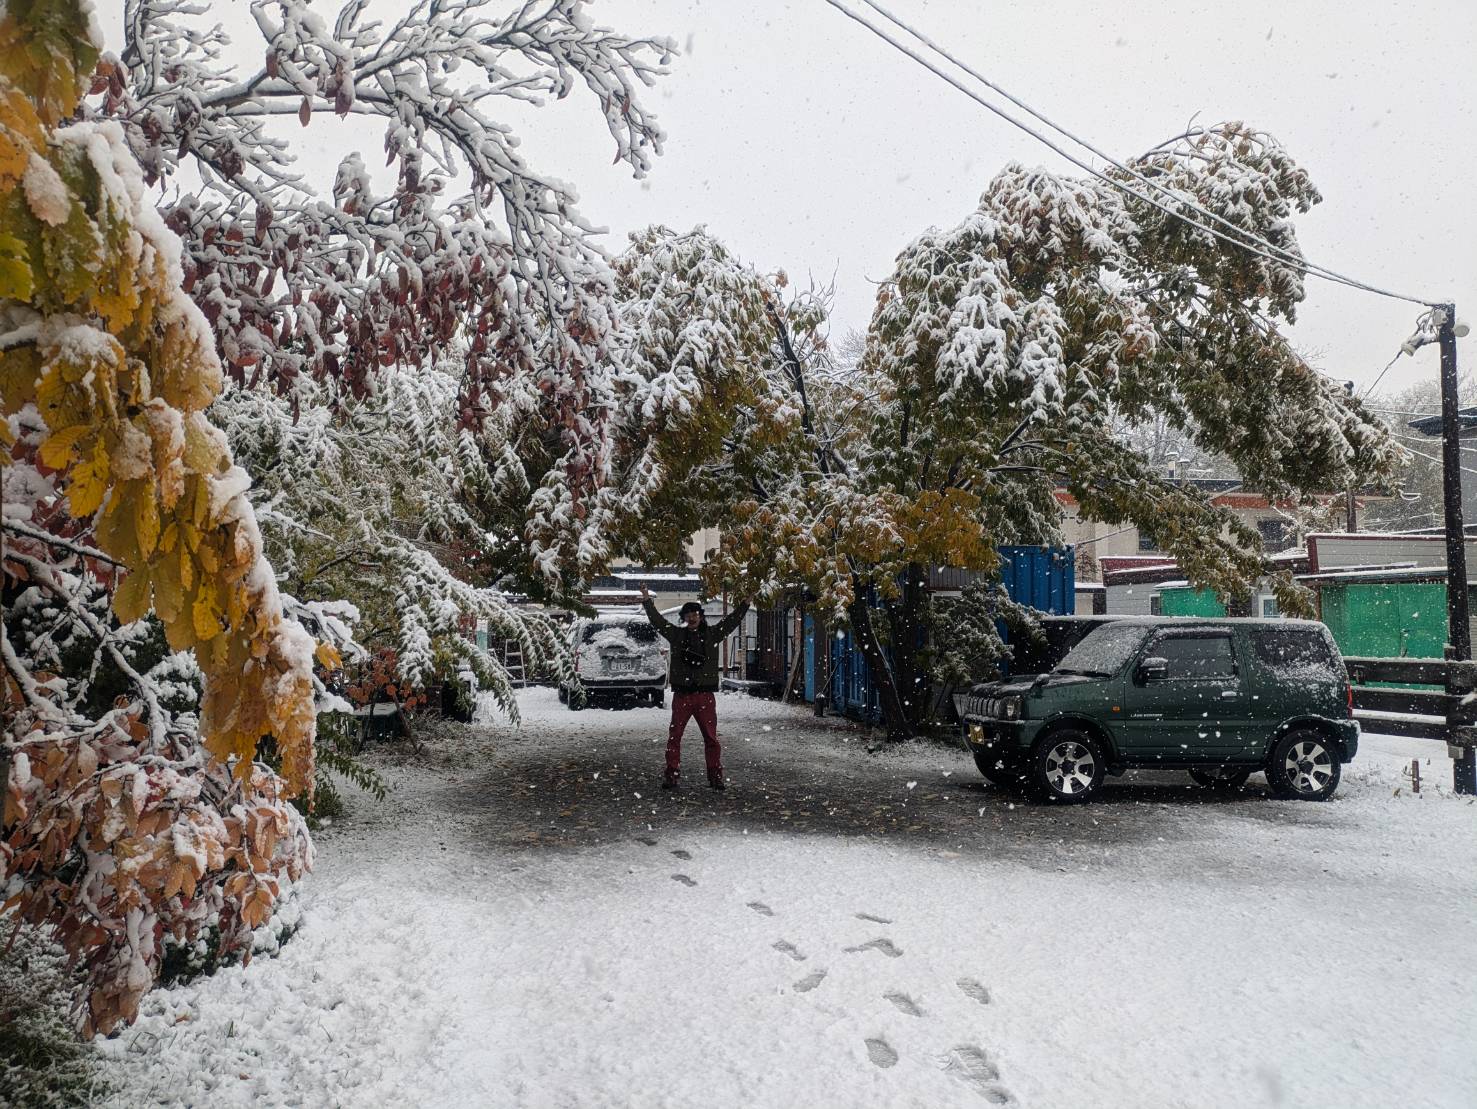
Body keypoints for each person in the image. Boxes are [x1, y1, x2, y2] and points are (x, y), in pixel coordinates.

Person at [640, 584, 749, 790]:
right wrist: (646, 600)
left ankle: (715, 777)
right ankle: (671, 775)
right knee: (675, 737)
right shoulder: (676, 635)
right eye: (688, 615)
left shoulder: (712, 634)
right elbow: (658, 622)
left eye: (695, 614)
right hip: (682, 695)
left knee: (711, 738)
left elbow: (731, 621)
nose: (692, 618)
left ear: (701, 616)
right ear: (683, 617)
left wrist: (745, 604)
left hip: (705, 695)